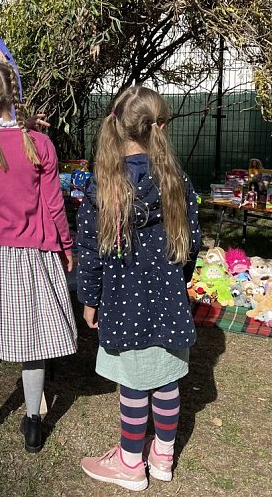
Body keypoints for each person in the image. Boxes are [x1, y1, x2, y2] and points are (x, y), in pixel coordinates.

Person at [76, 86, 201, 491]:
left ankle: (131, 463)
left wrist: (89, 299)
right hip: (167, 298)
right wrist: (177, 284)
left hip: (124, 301)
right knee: (165, 380)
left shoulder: (105, 183)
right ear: (159, 127)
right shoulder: (176, 178)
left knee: (133, 384)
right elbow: (192, 241)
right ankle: (162, 457)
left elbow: (89, 250)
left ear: (116, 125)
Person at [0, 60, 77, 453]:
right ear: (18, 95)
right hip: (31, 254)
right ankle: (31, 423)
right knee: (34, 339)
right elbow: (55, 205)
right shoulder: (40, 144)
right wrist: (66, 247)